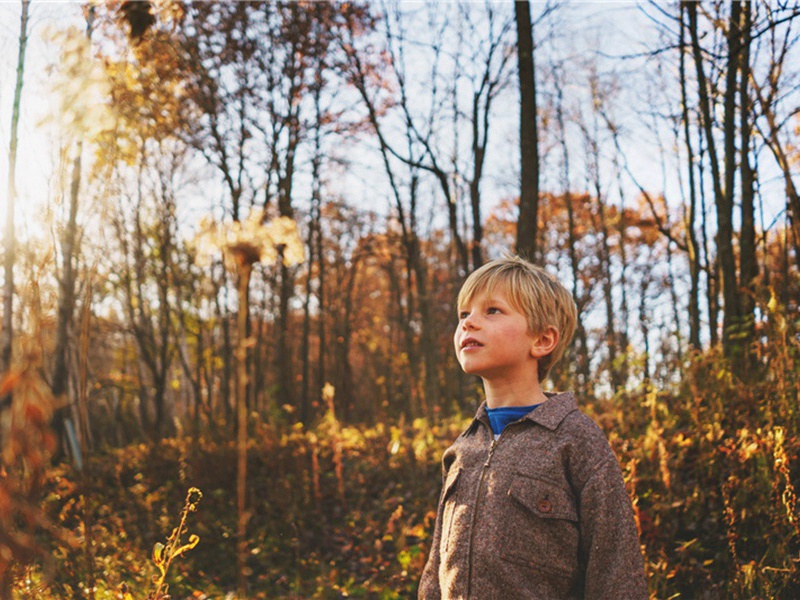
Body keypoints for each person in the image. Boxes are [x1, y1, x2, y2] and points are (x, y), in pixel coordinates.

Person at [418, 255, 647, 599]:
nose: (469, 323)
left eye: (492, 310)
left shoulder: (575, 439)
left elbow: (615, 568)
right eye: (464, 314)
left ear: (542, 340)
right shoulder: (462, 450)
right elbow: (436, 570)